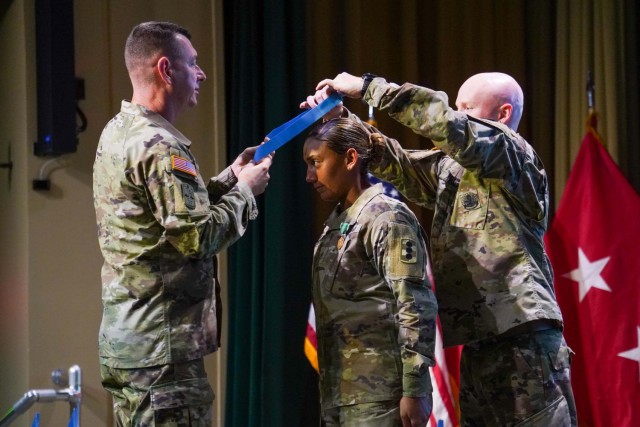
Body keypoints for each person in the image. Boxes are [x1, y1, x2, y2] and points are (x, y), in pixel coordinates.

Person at [302, 72, 577, 426]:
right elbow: (400, 165)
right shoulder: (454, 170)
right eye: (457, 108)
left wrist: (369, 87)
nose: (456, 115)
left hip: (524, 341)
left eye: (466, 109)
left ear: (503, 114)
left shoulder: (514, 156)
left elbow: (445, 123)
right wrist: (343, 123)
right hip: (478, 344)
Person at [93, 21, 272, 426]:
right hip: (162, 352)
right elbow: (196, 237)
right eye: (193, 63)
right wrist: (245, 192)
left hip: (131, 341)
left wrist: (228, 178)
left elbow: (165, 217)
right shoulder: (161, 146)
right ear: (165, 69)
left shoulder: (119, 131)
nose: (202, 73)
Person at [303, 118, 438, 426]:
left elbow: (414, 305)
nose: (310, 176)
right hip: (341, 393)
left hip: (382, 396)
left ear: (350, 158)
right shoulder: (340, 220)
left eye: (316, 163)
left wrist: (414, 388)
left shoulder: (386, 217)